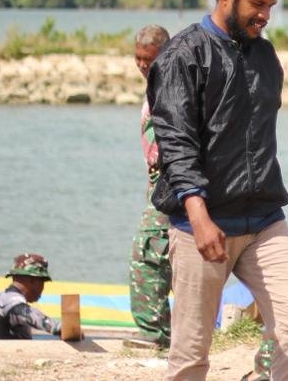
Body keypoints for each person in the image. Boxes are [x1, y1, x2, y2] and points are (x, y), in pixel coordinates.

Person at [148, 0, 288, 381]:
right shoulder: (183, 54)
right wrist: (198, 214)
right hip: (202, 225)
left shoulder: (265, 56)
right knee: (191, 353)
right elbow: (176, 142)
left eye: (271, 6)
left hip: (264, 221)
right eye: (257, 4)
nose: (265, 16)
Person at [129, 24, 172, 349]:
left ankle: (154, 334)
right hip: (162, 182)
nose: (143, 65)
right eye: (138, 58)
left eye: (149, 59)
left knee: (149, 255)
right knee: (170, 254)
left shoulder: (170, 86)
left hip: (170, 182)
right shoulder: (160, 84)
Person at [0, 253, 62, 341]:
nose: (42, 288)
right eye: (42, 282)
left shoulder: (5, 297)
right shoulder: (11, 300)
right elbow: (27, 313)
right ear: (33, 280)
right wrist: (58, 327)